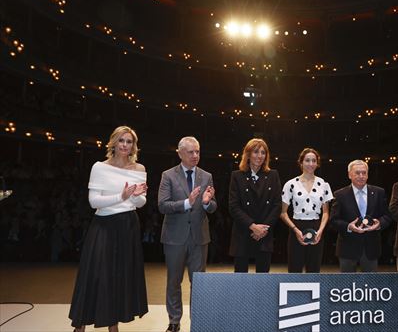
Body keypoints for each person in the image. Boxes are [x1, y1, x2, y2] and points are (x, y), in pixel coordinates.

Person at [69, 126, 148, 332]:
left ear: (133, 146)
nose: (124, 145)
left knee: (118, 277)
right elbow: (94, 201)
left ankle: (113, 326)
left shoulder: (139, 169)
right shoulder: (99, 167)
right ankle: (80, 326)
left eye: (129, 141)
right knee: (94, 275)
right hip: (103, 226)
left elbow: (140, 203)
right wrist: (121, 196)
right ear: (113, 143)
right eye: (121, 140)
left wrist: (134, 195)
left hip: (128, 226)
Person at [158, 136, 217, 332]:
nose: (195, 155)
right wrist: (187, 203)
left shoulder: (206, 175)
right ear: (180, 153)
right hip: (174, 237)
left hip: (199, 237)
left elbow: (213, 206)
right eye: (191, 152)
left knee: (199, 283)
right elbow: (162, 205)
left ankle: (197, 321)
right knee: (174, 281)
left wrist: (207, 202)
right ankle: (174, 321)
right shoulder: (168, 175)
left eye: (197, 151)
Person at [229, 138, 282, 272]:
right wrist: (252, 226)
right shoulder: (237, 176)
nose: (260, 156)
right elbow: (233, 206)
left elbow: (277, 205)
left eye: (263, 152)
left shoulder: (273, 175)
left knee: (263, 281)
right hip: (243, 232)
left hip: (265, 233)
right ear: (247, 154)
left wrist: (263, 229)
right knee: (241, 280)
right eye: (256, 152)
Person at [330, 159, 392, 272]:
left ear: (368, 175)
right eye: (357, 173)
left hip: (371, 247)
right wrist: (349, 226)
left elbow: (387, 216)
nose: (361, 176)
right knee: (346, 286)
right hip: (347, 248)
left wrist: (378, 224)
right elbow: (333, 220)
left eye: (364, 173)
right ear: (349, 174)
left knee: (370, 286)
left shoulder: (379, 192)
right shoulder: (340, 194)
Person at [280, 148, 333, 272]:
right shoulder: (290, 184)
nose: (311, 164)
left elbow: (326, 212)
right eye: (307, 160)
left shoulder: (324, 184)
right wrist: (295, 230)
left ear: (317, 163)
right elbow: (283, 213)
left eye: (314, 161)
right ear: (301, 163)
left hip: (317, 227)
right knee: (294, 270)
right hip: (296, 226)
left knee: (314, 270)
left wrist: (320, 231)